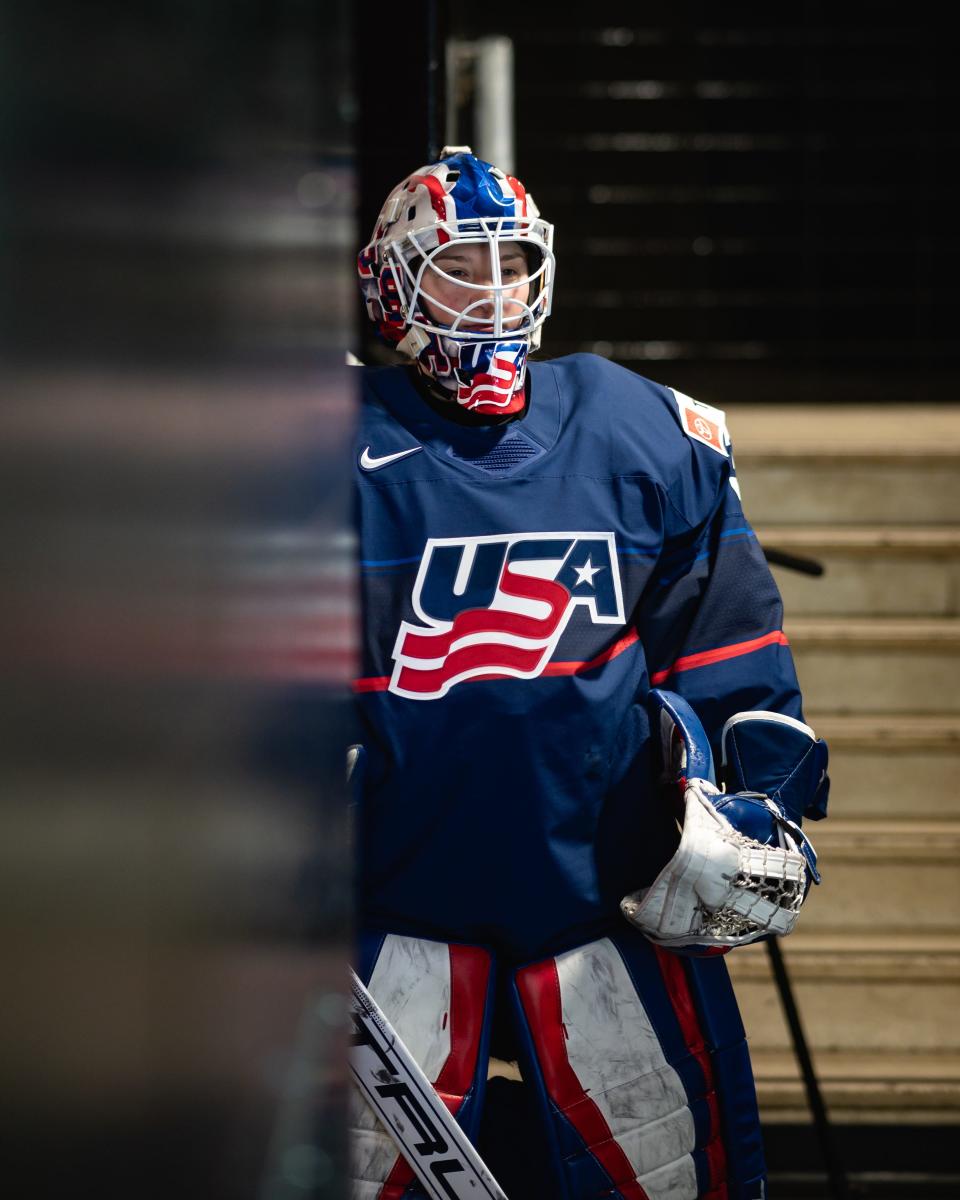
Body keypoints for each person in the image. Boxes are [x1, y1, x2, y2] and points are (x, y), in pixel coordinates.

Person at [350, 147, 829, 1200]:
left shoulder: (642, 431)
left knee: (662, 1175)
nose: (491, 293)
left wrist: (759, 803)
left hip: (601, 905)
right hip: (390, 911)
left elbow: (730, 647)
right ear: (392, 284)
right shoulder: (321, 447)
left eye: (508, 263)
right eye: (456, 268)